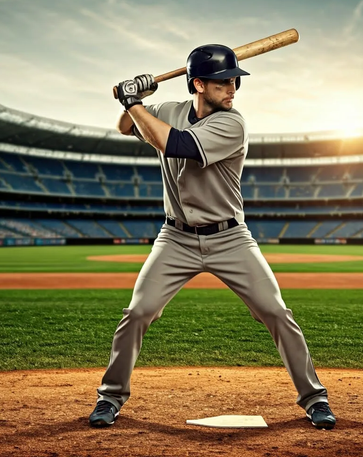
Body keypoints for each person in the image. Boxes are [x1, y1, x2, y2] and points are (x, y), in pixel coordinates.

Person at [89, 44, 336, 430]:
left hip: (230, 239)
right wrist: (129, 100)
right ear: (198, 84)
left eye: (235, 80)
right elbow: (126, 128)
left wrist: (134, 101)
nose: (233, 87)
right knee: (137, 312)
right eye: (223, 82)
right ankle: (110, 397)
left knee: (275, 311)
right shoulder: (168, 110)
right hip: (175, 239)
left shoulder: (232, 124)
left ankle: (314, 398)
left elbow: (176, 145)